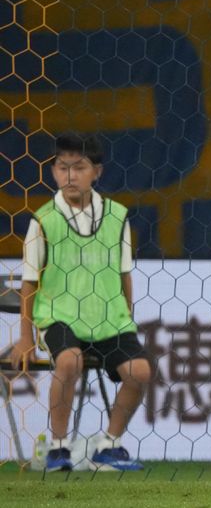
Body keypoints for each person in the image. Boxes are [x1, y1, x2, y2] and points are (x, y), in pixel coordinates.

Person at [9, 133, 151, 471]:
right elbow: (29, 282)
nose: (70, 175)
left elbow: (124, 274)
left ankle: (109, 445)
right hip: (59, 316)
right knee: (69, 361)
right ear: (53, 172)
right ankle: (59, 447)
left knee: (140, 371)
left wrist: (126, 319)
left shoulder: (117, 217)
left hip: (107, 319)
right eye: (63, 167)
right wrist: (26, 337)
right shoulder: (43, 220)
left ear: (96, 172)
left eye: (79, 167)